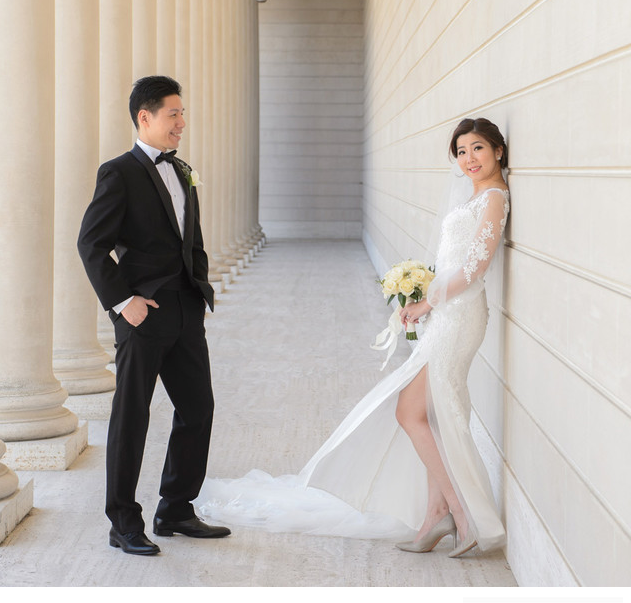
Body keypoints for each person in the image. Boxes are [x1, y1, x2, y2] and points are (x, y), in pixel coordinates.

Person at [197, 117, 510, 558]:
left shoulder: (494, 198)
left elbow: (476, 266)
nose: (469, 159)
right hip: (447, 313)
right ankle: (436, 515)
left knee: (409, 410)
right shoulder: (472, 196)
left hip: (459, 316)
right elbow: (453, 258)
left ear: (498, 150)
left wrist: (427, 302)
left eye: (477, 148)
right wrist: (423, 293)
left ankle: (459, 513)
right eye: (461, 152)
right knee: (428, 414)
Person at [78, 76, 230, 556]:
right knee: (132, 417)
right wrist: (126, 303)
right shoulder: (118, 173)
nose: (181, 123)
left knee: (198, 409)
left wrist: (200, 290)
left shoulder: (183, 170)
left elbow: (192, 239)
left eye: (183, 114)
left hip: (185, 312)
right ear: (145, 117)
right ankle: (123, 521)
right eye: (173, 114)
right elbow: (92, 244)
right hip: (143, 317)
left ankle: (176, 509)